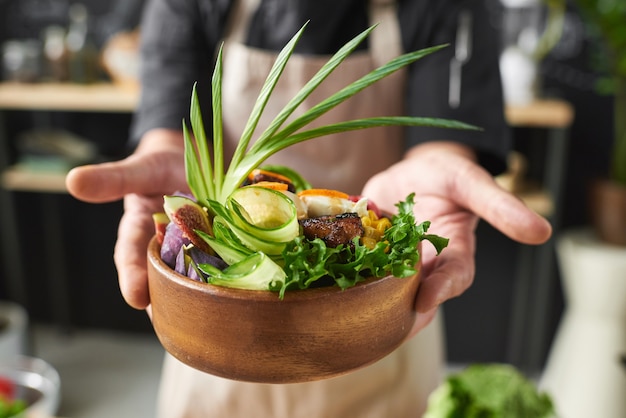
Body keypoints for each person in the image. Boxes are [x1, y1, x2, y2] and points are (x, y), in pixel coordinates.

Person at [66, 0, 552, 416]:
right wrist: (167, 155)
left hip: (379, 320)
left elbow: (444, 123)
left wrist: (442, 161)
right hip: (226, 331)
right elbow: (172, 106)